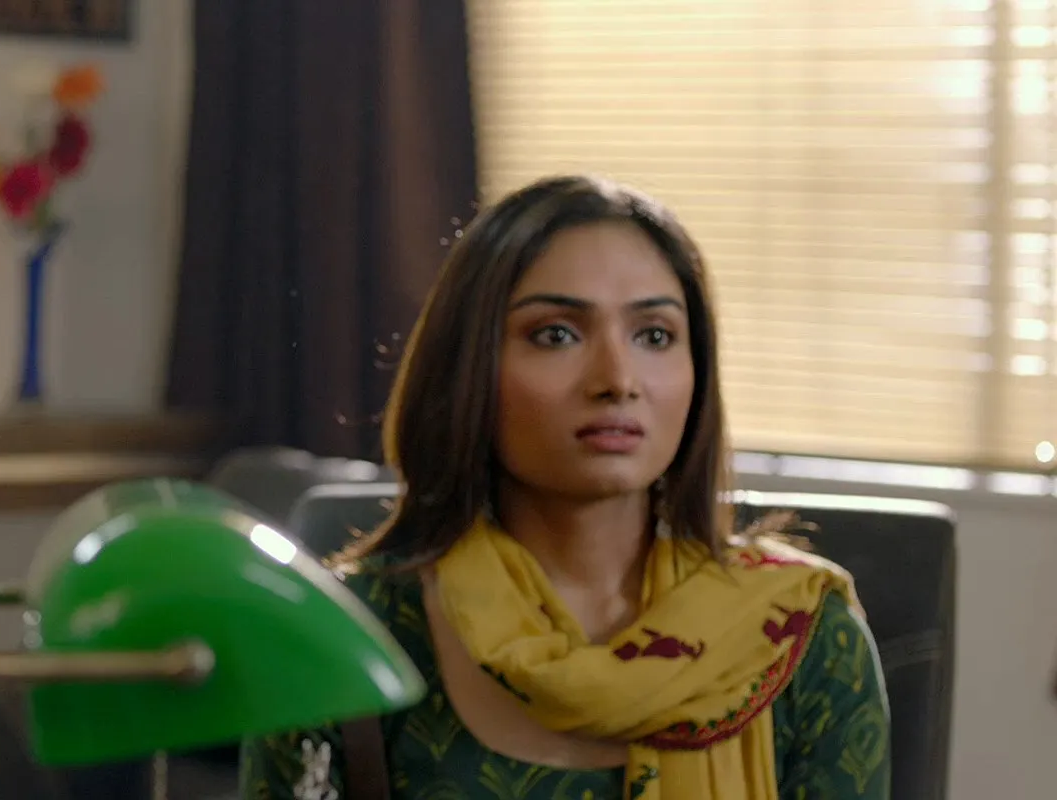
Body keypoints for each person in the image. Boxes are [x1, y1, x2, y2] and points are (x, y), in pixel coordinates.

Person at [240, 176, 891, 799]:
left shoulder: (803, 636)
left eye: (655, 335)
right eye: (556, 334)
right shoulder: (334, 639)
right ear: (468, 368)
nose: (618, 380)